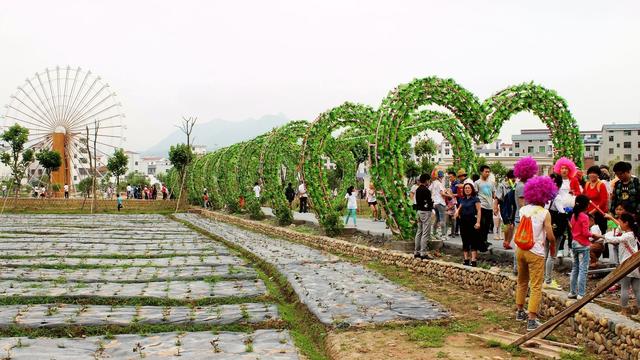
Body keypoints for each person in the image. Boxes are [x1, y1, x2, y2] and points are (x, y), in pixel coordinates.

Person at [515, 175, 557, 331]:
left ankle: (519, 312)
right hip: (535, 252)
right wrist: (552, 243)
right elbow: (550, 235)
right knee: (536, 286)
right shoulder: (545, 213)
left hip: (520, 250)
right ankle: (531, 320)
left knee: (522, 281)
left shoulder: (523, 209)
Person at [604, 213, 640, 316]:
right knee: (637, 290)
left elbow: (612, 239)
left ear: (626, 223)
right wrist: (612, 219)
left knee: (624, 288)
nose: (619, 224)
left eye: (620, 221)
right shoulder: (633, 234)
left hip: (626, 265)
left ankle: (624, 311)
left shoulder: (626, 236)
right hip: (636, 265)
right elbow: (620, 227)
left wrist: (607, 234)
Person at [569, 195, 602, 299]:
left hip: (574, 243)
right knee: (583, 269)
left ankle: (572, 292)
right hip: (583, 245)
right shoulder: (585, 217)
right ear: (586, 205)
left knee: (575, 268)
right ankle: (581, 293)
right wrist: (593, 235)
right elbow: (585, 232)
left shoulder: (574, 215)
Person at [553, 157, 581, 258]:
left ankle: (570, 249)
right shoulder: (556, 180)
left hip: (571, 208)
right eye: (562, 168)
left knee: (571, 230)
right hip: (559, 209)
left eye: (566, 168)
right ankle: (560, 249)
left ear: (570, 170)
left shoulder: (573, 180)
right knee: (560, 229)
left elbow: (579, 193)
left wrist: (573, 192)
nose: (564, 170)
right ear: (559, 169)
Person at [454, 183, 481, 266]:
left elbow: (479, 211)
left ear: (472, 189)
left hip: (472, 222)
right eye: (465, 188)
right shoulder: (463, 199)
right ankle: (466, 259)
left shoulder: (476, 199)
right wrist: (456, 213)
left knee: (473, 240)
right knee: (465, 240)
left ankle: (473, 260)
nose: (467, 189)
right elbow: (459, 208)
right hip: (463, 222)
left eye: (469, 188)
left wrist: (478, 222)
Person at [474, 165, 496, 251]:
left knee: (487, 226)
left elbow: (494, 194)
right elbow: (475, 195)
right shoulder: (477, 183)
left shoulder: (491, 183)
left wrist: (495, 205)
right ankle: (480, 243)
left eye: (488, 172)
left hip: (489, 207)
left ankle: (485, 241)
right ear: (481, 172)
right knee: (481, 225)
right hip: (481, 206)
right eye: (486, 171)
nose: (487, 173)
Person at [584, 166, 608, 233]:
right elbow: (583, 197)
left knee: (601, 233)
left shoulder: (601, 185)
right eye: (590, 173)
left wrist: (594, 211)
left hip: (599, 213)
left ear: (598, 175)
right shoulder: (587, 184)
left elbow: (604, 201)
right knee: (590, 233)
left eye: (594, 173)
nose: (592, 174)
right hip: (589, 213)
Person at [414, 174, 434, 260]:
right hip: (425, 212)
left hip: (419, 211)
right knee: (425, 233)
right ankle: (423, 252)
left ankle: (416, 251)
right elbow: (429, 202)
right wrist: (431, 203)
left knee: (419, 232)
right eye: (429, 180)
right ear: (426, 180)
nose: (429, 182)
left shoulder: (417, 189)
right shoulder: (426, 190)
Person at [497, 170, 516, 247]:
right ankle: (505, 240)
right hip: (505, 205)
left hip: (514, 206)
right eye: (511, 178)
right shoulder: (502, 185)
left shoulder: (517, 185)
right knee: (507, 224)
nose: (513, 179)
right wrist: (495, 207)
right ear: (507, 178)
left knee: (513, 225)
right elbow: (497, 198)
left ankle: (508, 242)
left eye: (514, 177)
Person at [430, 170, 447, 239]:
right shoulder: (440, 184)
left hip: (435, 203)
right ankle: (443, 235)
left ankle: (434, 232)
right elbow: (442, 193)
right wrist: (449, 195)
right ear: (442, 177)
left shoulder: (433, 183)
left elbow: (429, 190)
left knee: (437, 219)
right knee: (443, 219)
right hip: (440, 203)